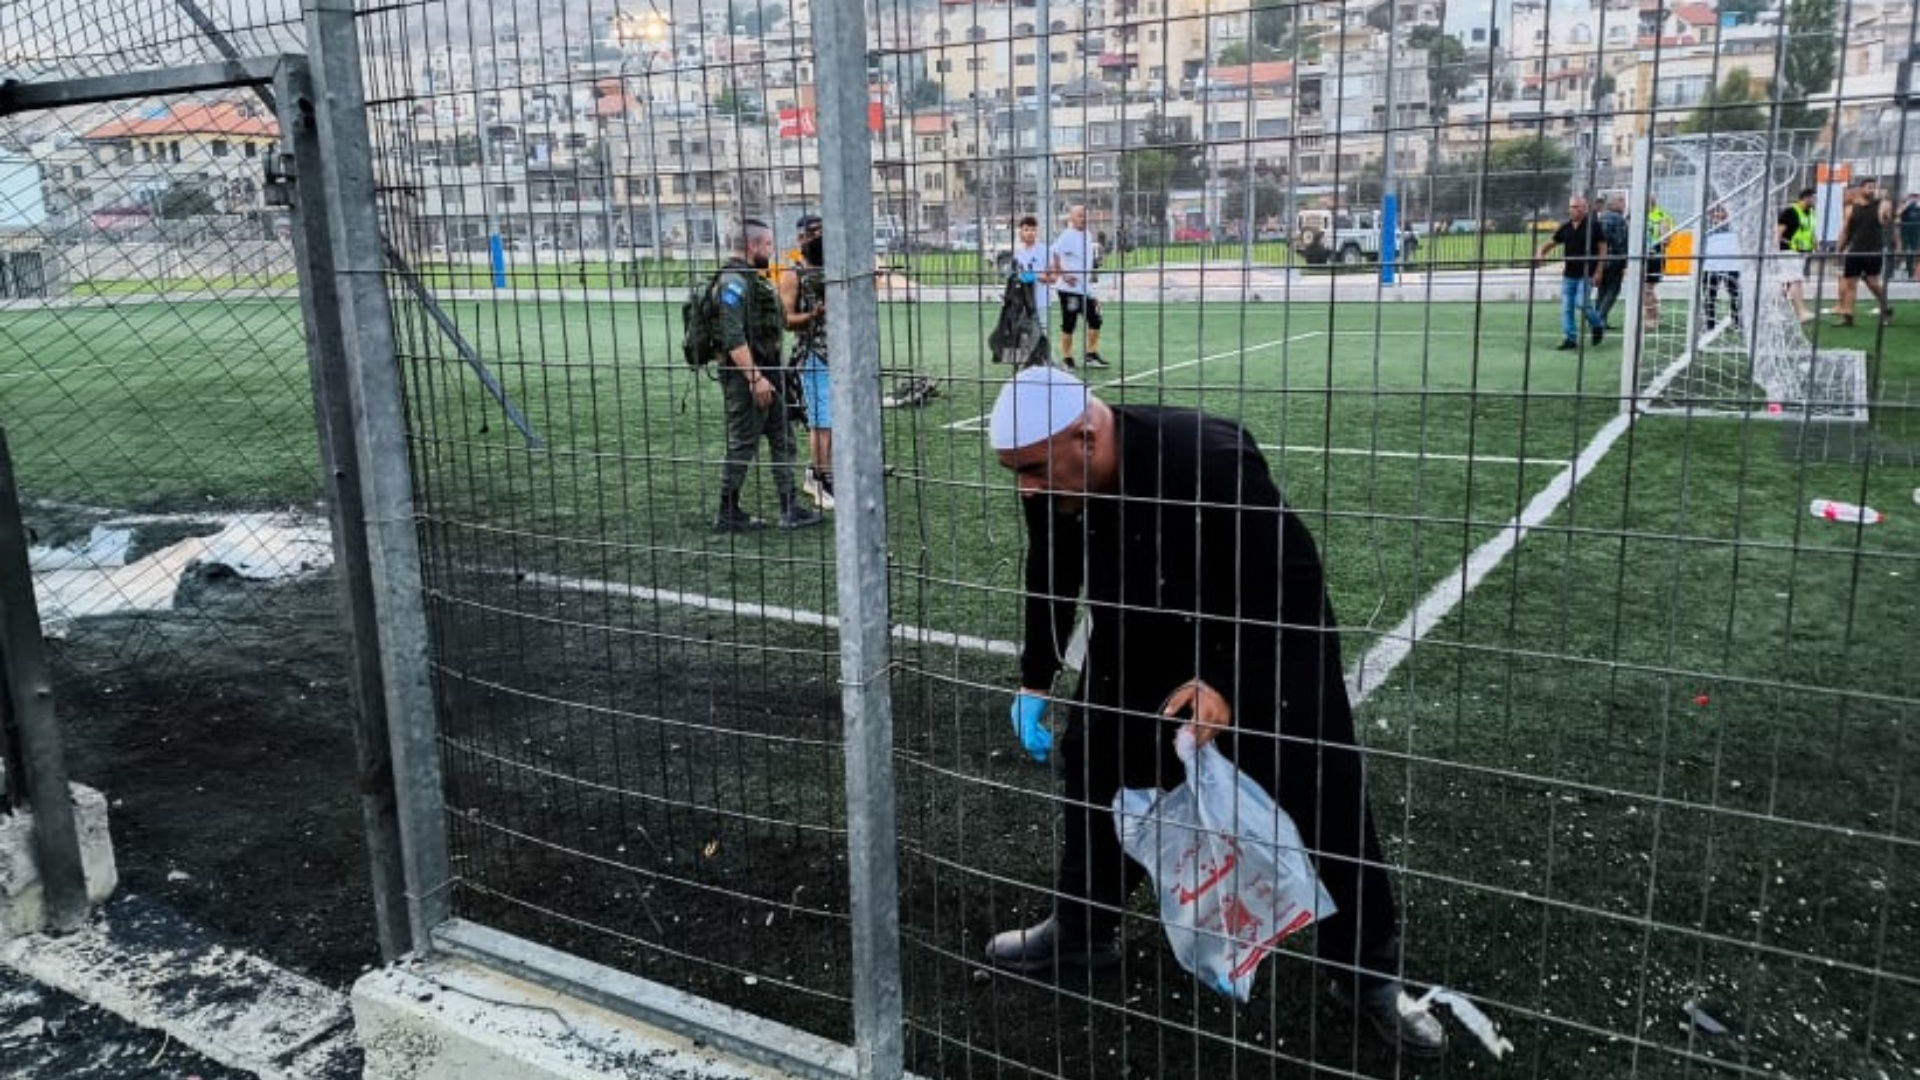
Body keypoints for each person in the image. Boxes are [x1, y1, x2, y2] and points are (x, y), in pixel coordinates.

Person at [981, 366, 1448, 1059]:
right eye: (1015, 474)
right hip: (1141, 636)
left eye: (1033, 469)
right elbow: (1050, 567)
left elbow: (1290, 578)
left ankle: (1366, 975)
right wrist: (1036, 677)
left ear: (1085, 435)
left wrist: (1225, 681)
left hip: (1263, 638)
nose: (1025, 487)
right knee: (1096, 764)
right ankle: (1083, 930)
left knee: (1319, 795)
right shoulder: (1052, 479)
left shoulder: (1208, 456)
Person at [708, 218, 824, 533]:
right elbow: (733, 337)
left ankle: (789, 507)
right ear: (754, 245)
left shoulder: (752, 278)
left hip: (770, 372)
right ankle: (727, 510)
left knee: (782, 437)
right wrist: (755, 378)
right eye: (769, 245)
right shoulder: (733, 282)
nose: (772, 251)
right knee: (743, 442)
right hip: (747, 378)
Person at [778, 213, 833, 511]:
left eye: (822, 231)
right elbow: (785, 320)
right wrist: (813, 316)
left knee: (834, 421)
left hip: (839, 356)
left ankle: (829, 473)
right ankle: (818, 476)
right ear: (800, 238)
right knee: (821, 422)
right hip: (813, 355)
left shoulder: (833, 266)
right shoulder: (793, 273)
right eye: (812, 233)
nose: (818, 237)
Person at [1535, 195, 1608, 351]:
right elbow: (1551, 243)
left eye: (1577, 207)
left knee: (1582, 303)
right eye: (1572, 207)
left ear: (1585, 208)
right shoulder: (1566, 227)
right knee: (1567, 308)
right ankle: (1570, 339)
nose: (1573, 210)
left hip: (1587, 274)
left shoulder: (1593, 226)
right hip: (1569, 275)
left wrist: (1599, 271)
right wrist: (1541, 253)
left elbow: (1603, 247)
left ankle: (1597, 325)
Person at [1050, 204, 1108, 369]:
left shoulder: (1088, 234)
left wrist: (1090, 288)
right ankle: (1067, 358)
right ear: (1072, 218)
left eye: (1085, 215)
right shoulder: (1067, 236)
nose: (1084, 218)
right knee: (1070, 323)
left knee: (1095, 319)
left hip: (1084, 289)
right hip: (1069, 291)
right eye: (1080, 215)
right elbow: (1053, 252)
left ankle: (1091, 355)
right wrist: (1063, 274)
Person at [1833, 177, 1893, 328]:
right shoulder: (1851, 209)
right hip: (1855, 251)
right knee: (1849, 283)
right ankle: (1848, 317)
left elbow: (1886, 218)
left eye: (1874, 187)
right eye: (1869, 187)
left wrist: (1887, 215)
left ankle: (1885, 308)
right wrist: (1838, 249)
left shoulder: (1882, 204)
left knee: (1872, 283)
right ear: (1861, 189)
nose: (1871, 189)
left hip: (1873, 251)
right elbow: (1845, 231)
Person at [1774, 187, 1817, 323]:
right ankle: (1801, 312)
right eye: (1814, 198)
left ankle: (1776, 310)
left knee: (1787, 282)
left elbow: (1810, 231)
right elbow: (1778, 234)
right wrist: (1791, 244)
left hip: (1802, 252)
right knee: (1796, 280)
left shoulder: (1810, 212)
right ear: (1806, 198)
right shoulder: (1790, 211)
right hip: (1789, 251)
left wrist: (1815, 244)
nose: (1816, 201)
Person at [1700, 204, 1742, 333]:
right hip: (1711, 267)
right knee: (1709, 296)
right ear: (1712, 215)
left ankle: (1737, 322)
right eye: (1716, 212)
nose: (1719, 214)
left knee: (1735, 295)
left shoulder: (1734, 227)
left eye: (1722, 211)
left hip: (1731, 266)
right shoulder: (1706, 228)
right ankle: (1709, 324)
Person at [1011, 214, 1055, 330]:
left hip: (1041, 303)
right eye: (1026, 230)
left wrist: (1034, 276)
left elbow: (1053, 278)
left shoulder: (1045, 250)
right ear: (1020, 232)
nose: (1030, 233)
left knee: (1041, 337)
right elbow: (1015, 277)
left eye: (1033, 230)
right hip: (1023, 303)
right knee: (1024, 338)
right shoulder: (1017, 253)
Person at [1594, 195, 1631, 327]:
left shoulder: (1601, 217)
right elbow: (1621, 242)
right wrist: (1625, 261)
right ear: (1615, 205)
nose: (1624, 206)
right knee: (1613, 290)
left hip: (1601, 259)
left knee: (1602, 290)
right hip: (1615, 259)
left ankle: (1598, 318)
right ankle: (1599, 318)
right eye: (1622, 203)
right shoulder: (1619, 220)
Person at [1643, 196, 1673, 326]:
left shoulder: (1662, 216)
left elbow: (1666, 240)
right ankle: (1655, 313)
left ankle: (1652, 318)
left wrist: (1658, 237)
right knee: (1645, 289)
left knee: (1646, 289)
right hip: (1640, 255)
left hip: (1654, 256)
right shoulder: (1637, 215)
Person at [1897, 192, 1920, 280]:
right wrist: (1907, 204)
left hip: (1916, 231)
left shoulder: (1918, 207)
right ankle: (1907, 268)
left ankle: (1912, 271)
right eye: (1912, 196)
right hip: (1906, 230)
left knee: (1915, 250)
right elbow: (1898, 213)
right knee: (1906, 249)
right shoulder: (1905, 206)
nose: (1914, 198)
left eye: (1916, 197)